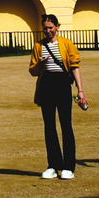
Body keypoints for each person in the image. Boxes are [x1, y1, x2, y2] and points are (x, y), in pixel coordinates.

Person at [28, 14, 85, 179]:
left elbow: (75, 67)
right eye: (45, 28)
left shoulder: (66, 44)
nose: (48, 31)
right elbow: (33, 71)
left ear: (57, 27)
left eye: (51, 27)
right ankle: (53, 164)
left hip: (62, 84)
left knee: (66, 125)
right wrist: (40, 63)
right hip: (46, 85)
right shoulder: (38, 46)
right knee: (49, 126)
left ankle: (69, 166)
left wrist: (80, 91)